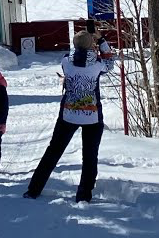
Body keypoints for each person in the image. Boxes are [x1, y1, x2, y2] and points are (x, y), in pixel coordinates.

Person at [23, 31, 112, 202]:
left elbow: (74, 59)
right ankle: (84, 195)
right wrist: (101, 41)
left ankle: (34, 189)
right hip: (91, 115)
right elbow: (109, 61)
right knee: (90, 155)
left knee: (53, 151)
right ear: (91, 44)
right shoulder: (97, 65)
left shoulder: (66, 61)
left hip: (68, 113)